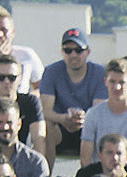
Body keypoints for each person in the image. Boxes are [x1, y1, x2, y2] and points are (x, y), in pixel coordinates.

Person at [38, 27, 103, 168]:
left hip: (89, 129)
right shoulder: (51, 72)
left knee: (103, 128)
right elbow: (45, 111)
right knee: (45, 126)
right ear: (62, 52)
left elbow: (100, 112)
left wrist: (81, 119)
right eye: (68, 50)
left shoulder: (99, 73)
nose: (73, 54)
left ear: (88, 52)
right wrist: (64, 119)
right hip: (60, 129)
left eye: (78, 50)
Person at [79, 58, 127, 177]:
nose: (117, 87)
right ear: (105, 82)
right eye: (112, 81)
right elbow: (85, 158)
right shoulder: (93, 114)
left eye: (122, 82)